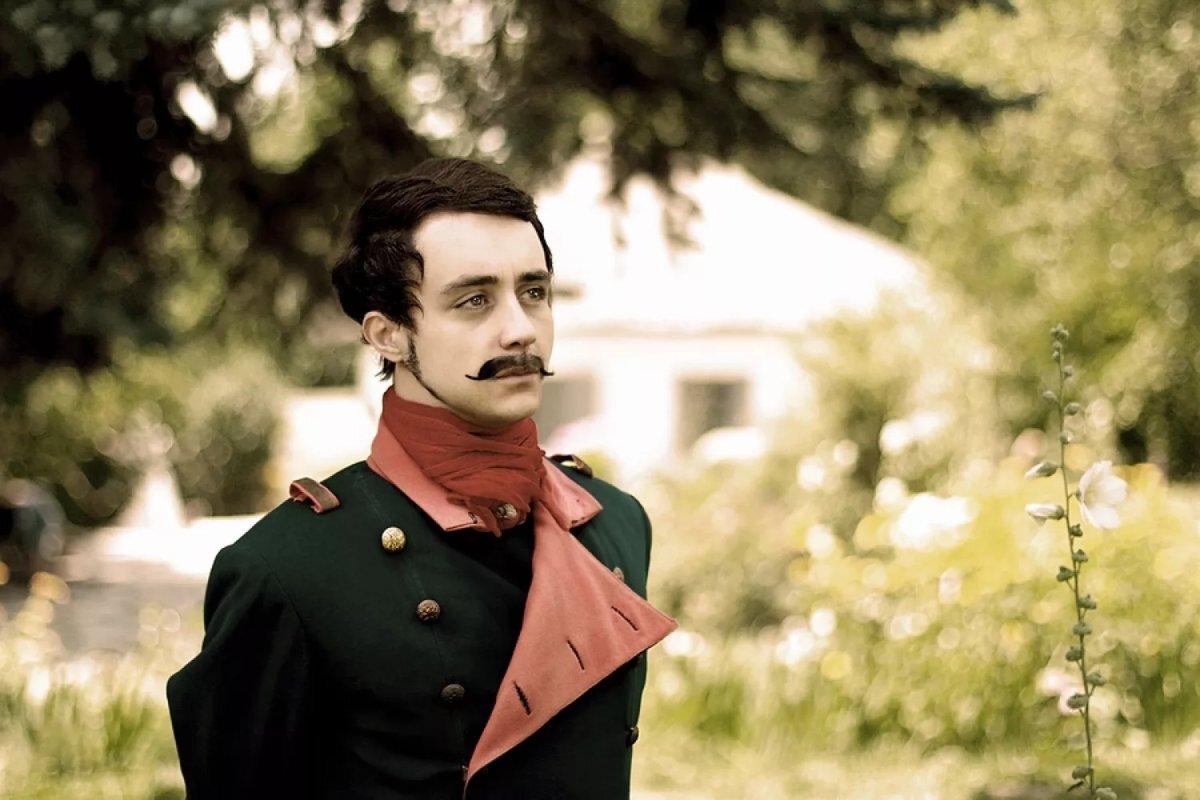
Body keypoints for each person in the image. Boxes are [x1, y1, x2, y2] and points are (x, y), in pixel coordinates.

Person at [166, 158, 676, 799]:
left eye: (534, 292)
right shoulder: (289, 568)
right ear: (388, 335)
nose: (520, 330)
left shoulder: (618, 522)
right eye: (474, 300)